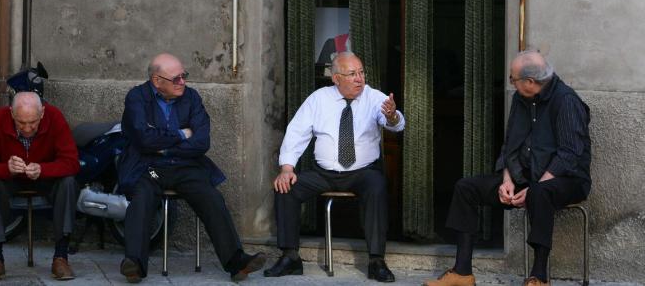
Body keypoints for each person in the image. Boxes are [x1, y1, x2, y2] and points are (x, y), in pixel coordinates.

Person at [425, 50, 591, 286]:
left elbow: (569, 154)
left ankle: (539, 277)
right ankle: (462, 272)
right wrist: (507, 179)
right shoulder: (520, 99)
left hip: (566, 180)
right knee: (466, 188)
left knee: (541, 194)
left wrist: (535, 188)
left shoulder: (566, 101)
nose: (511, 83)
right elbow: (510, 143)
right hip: (526, 176)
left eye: (513, 79)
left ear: (530, 82)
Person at [117, 53, 265, 283]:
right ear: (157, 81)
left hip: (184, 167)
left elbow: (201, 142)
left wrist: (165, 149)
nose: (183, 82)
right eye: (176, 79)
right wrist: (180, 135)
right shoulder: (137, 98)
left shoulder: (192, 98)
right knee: (143, 195)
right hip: (151, 169)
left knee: (211, 196)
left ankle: (236, 262)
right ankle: (135, 263)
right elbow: (143, 140)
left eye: (184, 76)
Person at [265, 51, 404, 282]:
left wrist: (392, 116)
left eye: (361, 72)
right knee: (286, 187)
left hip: (363, 172)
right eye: (352, 74)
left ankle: (376, 260)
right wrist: (287, 167)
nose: (359, 78)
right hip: (324, 173)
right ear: (336, 78)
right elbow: (297, 131)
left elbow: (395, 124)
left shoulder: (374, 97)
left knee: (377, 186)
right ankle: (290, 257)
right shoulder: (319, 99)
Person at [0, 91, 80, 282]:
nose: (27, 128)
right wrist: (6, 168)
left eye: (33, 122)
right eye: (21, 122)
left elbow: (72, 162)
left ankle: (61, 256)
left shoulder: (54, 117)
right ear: (11, 114)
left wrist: (43, 169)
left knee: (69, 183)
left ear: (42, 114)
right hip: (11, 180)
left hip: (45, 179)